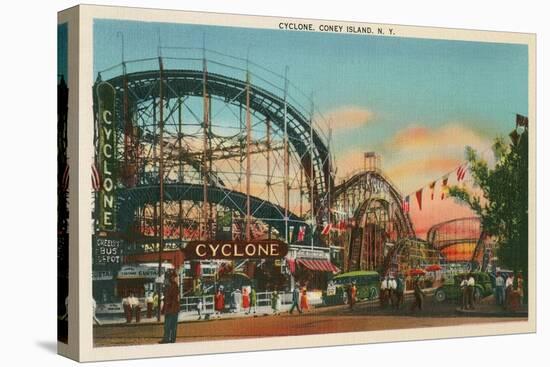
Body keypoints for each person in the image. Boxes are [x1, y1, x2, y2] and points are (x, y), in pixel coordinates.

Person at [159, 271, 180, 344]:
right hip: (174, 308)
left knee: (168, 325)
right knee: (173, 325)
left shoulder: (170, 286)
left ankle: (166, 339)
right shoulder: (175, 286)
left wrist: (166, 303)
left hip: (170, 308)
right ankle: (172, 339)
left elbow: (170, 298)